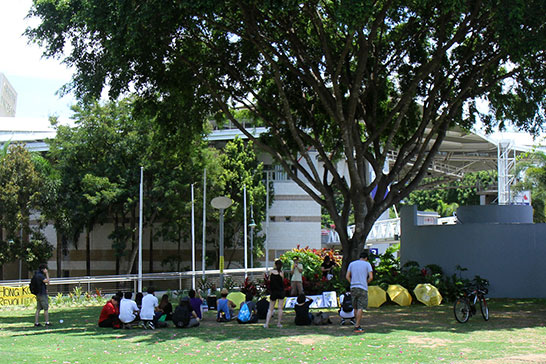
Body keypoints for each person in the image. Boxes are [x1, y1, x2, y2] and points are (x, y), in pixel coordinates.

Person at [345, 250, 373, 333]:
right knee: (361, 306)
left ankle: (357, 323)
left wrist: (352, 282)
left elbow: (347, 276)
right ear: (366, 258)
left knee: (355, 307)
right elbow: (371, 277)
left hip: (353, 287)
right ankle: (357, 325)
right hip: (362, 287)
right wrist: (366, 282)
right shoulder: (367, 264)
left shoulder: (352, 264)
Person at [264, 259, 285, 328]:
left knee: (270, 309)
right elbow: (282, 281)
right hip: (281, 291)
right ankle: (278, 323)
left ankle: (267, 324)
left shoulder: (271, 272)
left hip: (273, 292)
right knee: (280, 308)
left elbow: (269, 281)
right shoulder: (281, 273)